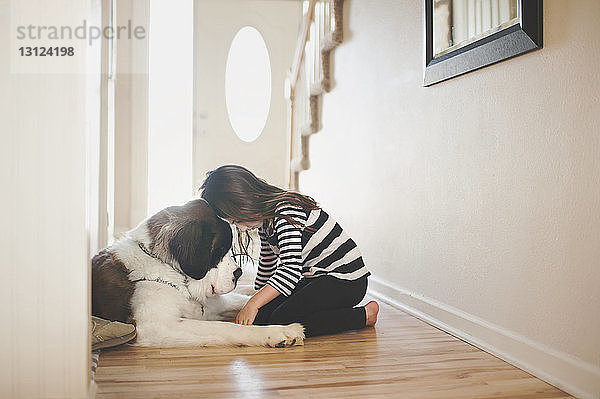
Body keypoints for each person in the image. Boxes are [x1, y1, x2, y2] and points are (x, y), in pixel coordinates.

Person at [200, 165, 379, 337]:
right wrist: (259, 299)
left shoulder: (287, 212)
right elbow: (267, 261)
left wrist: (254, 304)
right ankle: (335, 312)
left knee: (282, 320)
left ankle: (363, 316)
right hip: (317, 278)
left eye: (237, 221)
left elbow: (290, 270)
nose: (241, 229)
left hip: (346, 282)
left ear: (244, 202)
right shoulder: (265, 222)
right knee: (262, 319)